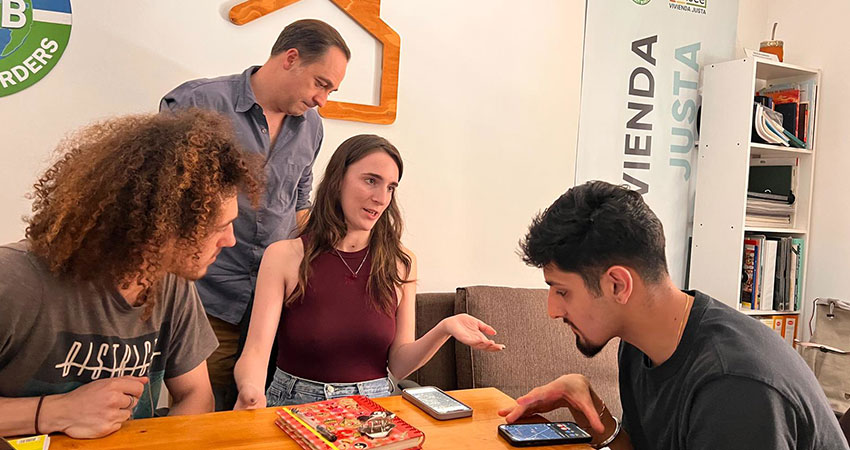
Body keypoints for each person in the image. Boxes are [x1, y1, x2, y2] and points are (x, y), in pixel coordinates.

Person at [499, 181, 848, 450]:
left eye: (562, 291)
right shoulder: (640, 345)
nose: (552, 311)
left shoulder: (735, 386)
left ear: (618, 285)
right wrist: (594, 414)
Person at [0, 109, 262, 439]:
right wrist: (58, 411)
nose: (230, 240)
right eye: (217, 227)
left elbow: (196, 396)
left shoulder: (170, 282)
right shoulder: (15, 280)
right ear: (159, 229)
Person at [232, 135, 505, 408]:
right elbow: (255, 352)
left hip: (374, 410)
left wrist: (444, 329)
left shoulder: (401, 262)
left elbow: (398, 365)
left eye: (390, 187)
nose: (381, 198)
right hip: (294, 404)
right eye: (371, 181)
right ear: (338, 179)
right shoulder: (283, 256)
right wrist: (251, 391)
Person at [160, 19, 350, 410]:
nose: (322, 100)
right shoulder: (198, 103)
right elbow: (159, 200)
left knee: (257, 416)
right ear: (290, 58)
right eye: (320, 83)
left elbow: (299, 204)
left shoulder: (312, 128)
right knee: (204, 415)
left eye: (331, 90)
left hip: (274, 307)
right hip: (207, 301)